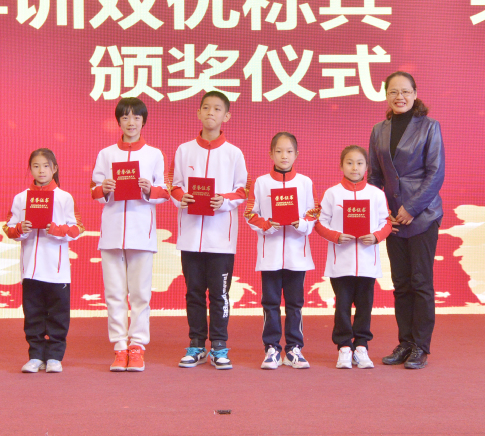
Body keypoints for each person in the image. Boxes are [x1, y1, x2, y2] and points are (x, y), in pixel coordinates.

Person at [368, 71, 444, 370]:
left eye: (405, 91)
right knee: (400, 283)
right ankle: (405, 343)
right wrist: (381, 212)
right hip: (393, 218)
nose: (399, 97)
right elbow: (374, 176)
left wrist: (411, 208)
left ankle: (420, 347)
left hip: (423, 215)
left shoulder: (430, 126)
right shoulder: (379, 130)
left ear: (414, 93)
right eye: (393, 92)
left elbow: (435, 172)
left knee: (420, 282)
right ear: (386, 95)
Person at [169, 91, 248, 370]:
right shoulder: (184, 150)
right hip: (190, 237)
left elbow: (242, 191)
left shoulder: (234, 153)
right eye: (206, 108)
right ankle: (196, 344)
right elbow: (174, 186)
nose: (210, 113)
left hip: (220, 239)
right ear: (198, 113)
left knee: (219, 295)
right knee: (193, 293)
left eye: (217, 109)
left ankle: (219, 345)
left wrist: (223, 201)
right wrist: (183, 197)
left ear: (226, 115)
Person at [91, 97, 169, 372]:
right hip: (112, 233)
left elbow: (164, 192)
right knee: (114, 294)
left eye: (136, 117)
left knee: (140, 295)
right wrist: (105, 188)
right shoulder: (106, 154)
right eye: (125, 117)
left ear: (143, 121)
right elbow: (94, 190)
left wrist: (149, 189)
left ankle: (137, 347)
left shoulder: (154, 154)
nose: (131, 122)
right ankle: (119, 347)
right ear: (119, 121)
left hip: (141, 233)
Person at [3, 148, 84, 374]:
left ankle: (55, 357)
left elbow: (78, 228)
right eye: (36, 166)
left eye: (46, 166)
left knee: (58, 315)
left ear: (54, 168)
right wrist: (21, 228)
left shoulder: (64, 197)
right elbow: (8, 228)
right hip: (30, 269)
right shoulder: (21, 198)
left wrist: (57, 230)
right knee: (33, 315)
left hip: (57, 271)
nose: (41, 171)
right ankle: (36, 356)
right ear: (30, 169)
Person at [245, 132, 317, 369]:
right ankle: (272, 348)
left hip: (297, 254)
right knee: (271, 302)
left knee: (295, 303)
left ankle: (294, 348)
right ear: (270, 154)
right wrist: (267, 225)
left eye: (289, 151)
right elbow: (250, 213)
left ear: (297, 154)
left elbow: (313, 213)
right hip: (271, 254)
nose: (284, 156)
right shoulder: (261, 182)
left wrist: (301, 224)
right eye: (278, 151)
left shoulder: (305, 182)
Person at [315, 146, 391, 369]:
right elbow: (319, 222)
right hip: (341, 263)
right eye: (349, 163)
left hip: (368, 263)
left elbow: (386, 223)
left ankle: (361, 347)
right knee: (342, 306)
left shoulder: (376, 194)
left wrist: (376, 237)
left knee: (365, 306)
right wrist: (336, 236)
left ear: (367, 167)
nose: (354, 167)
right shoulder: (332, 193)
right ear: (341, 166)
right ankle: (344, 348)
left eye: (359, 163)